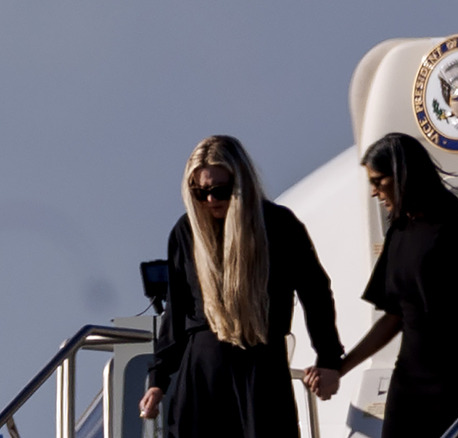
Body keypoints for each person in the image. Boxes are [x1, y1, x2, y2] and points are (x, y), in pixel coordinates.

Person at [305, 132, 458, 438]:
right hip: (410, 375)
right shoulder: (400, 230)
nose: (374, 192)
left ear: (402, 176)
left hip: (455, 373)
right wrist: (341, 367)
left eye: (379, 181)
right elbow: (394, 318)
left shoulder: (452, 224)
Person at [138, 135, 343, 437]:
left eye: (220, 190)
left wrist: (328, 359)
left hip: (260, 363)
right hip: (202, 369)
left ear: (241, 182)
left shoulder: (278, 224)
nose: (210, 200)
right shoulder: (186, 231)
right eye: (200, 191)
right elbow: (176, 311)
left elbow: (315, 292)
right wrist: (158, 379)